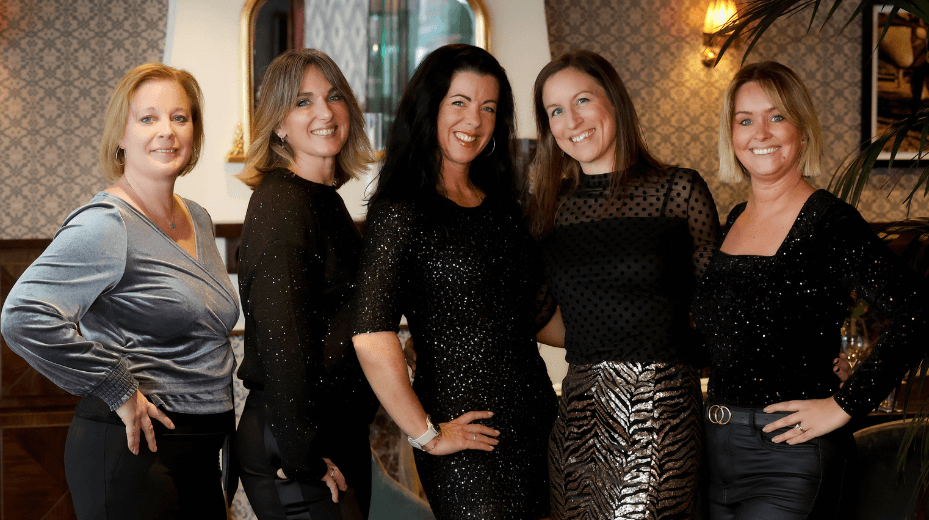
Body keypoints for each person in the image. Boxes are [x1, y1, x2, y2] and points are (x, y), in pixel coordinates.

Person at [691, 60, 929, 519]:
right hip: (715, 452)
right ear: (731, 134)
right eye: (745, 120)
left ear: (801, 129)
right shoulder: (735, 218)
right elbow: (728, 338)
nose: (760, 133)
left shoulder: (829, 222)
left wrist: (843, 405)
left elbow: (918, 312)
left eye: (777, 116)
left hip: (789, 458)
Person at [0, 63, 238, 518]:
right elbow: (23, 316)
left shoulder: (198, 218)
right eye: (148, 118)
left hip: (201, 452)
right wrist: (118, 389)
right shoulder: (108, 223)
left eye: (180, 117)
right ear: (121, 136)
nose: (167, 131)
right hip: (136, 450)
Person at [351, 44, 557, 519]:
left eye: (489, 107)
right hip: (463, 431)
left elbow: (536, 316)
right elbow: (371, 335)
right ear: (431, 107)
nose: (474, 120)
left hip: (536, 417)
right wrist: (427, 434)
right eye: (459, 102)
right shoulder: (401, 210)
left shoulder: (503, 206)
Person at [527, 49, 720, 519]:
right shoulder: (551, 207)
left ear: (614, 100)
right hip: (579, 416)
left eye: (582, 100)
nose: (572, 121)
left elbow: (717, 305)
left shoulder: (678, 190)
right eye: (555, 111)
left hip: (661, 414)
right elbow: (536, 314)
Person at [233, 49, 379, 520]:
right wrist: (303, 458)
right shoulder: (282, 204)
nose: (325, 112)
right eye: (302, 102)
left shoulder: (325, 201)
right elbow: (284, 341)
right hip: (296, 443)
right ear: (279, 125)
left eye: (334, 97)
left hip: (335, 434)